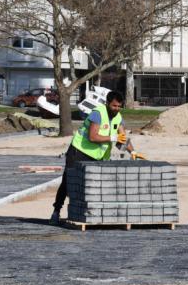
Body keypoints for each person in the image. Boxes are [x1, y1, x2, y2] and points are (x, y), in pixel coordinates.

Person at [49, 91, 135, 225]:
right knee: (68, 181)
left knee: (94, 185)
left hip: (97, 156)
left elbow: (122, 139)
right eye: (114, 106)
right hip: (79, 151)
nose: (117, 109)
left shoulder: (118, 118)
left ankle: (87, 214)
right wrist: (113, 138)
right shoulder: (98, 114)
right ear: (107, 103)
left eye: (119, 106)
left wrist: (133, 152)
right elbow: (93, 137)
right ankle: (56, 211)